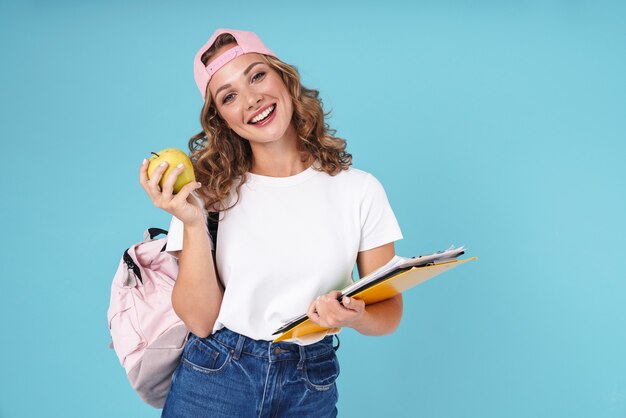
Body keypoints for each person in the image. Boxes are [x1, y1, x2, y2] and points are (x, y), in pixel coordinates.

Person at [139, 28, 403, 418]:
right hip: (216, 377)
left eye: (257, 76)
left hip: (310, 382)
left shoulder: (360, 190)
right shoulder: (207, 193)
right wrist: (193, 224)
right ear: (222, 119)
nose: (251, 99)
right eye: (229, 96)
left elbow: (390, 311)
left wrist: (356, 315)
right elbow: (200, 320)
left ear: (284, 78)